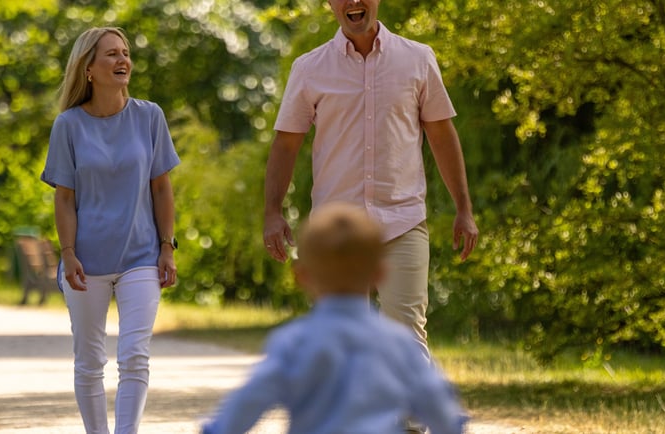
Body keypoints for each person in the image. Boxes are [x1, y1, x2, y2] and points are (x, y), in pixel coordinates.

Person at [264, 0, 477, 394]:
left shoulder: (417, 59)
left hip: (402, 219)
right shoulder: (309, 68)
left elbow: (442, 135)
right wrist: (272, 212)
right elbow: (286, 143)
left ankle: (412, 419)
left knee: (406, 331)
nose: (354, 2)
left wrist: (464, 208)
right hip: (336, 229)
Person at [203, 202, 468, 434]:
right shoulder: (399, 343)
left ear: (302, 276)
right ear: (380, 273)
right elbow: (438, 406)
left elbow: (250, 400)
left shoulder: (293, 342)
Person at [40, 27, 180, 434]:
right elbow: (64, 198)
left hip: (142, 256)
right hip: (86, 261)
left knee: (134, 355)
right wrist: (68, 254)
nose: (123, 61)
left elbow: (161, 187)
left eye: (125, 53)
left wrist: (167, 246)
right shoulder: (68, 125)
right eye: (112, 54)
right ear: (88, 69)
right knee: (89, 360)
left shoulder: (149, 116)